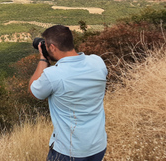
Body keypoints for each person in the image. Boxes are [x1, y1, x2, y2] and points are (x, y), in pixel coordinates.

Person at [29, 25, 108, 161]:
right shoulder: (98, 62)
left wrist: (43, 59)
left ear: (52, 47)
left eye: (47, 46)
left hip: (69, 151)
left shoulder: (53, 75)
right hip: (98, 146)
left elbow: (34, 91)